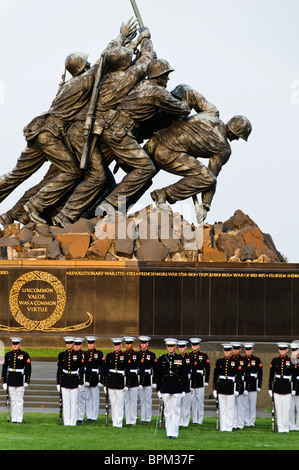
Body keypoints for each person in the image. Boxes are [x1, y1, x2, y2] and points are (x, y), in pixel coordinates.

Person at [0, 19, 138, 225]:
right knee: (72, 171)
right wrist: (122, 38)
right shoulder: (83, 81)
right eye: (87, 64)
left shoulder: (68, 84)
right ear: (82, 67)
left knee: (17, 176)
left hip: (40, 131)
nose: (91, 66)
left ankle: (10, 215)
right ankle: (33, 207)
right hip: (51, 134)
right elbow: (104, 62)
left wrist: (128, 46)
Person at [53, 23, 154, 227]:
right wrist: (146, 39)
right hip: (83, 132)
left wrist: (123, 38)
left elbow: (105, 56)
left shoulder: (100, 76)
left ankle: (92, 217)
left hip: (82, 130)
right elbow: (146, 61)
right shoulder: (125, 78)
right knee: (99, 176)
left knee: (107, 181)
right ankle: (65, 216)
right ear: (126, 64)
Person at [96, 58, 190, 218]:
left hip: (112, 129)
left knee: (145, 179)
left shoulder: (142, 85)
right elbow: (183, 110)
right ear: (158, 75)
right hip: (120, 132)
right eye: (166, 75)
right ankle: (107, 206)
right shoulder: (157, 92)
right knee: (147, 168)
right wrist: (185, 96)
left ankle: (117, 211)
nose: (168, 78)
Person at [144, 89, 252, 223]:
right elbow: (211, 177)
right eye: (238, 137)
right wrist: (205, 205)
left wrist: (177, 105)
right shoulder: (224, 149)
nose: (236, 140)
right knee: (208, 178)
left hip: (154, 141)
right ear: (236, 132)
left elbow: (189, 92)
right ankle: (163, 194)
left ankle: (116, 202)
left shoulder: (211, 112)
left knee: (137, 181)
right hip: (167, 153)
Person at [156, 338, 188, 439]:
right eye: (169, 346)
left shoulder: (181, 358)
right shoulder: (162, 359)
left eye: (172, 346)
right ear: (166, 347)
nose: (170, 348)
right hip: (165, 387)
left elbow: (184, 375)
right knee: (167, 411)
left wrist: (184, 389)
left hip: (177, 387)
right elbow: (158, 375)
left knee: (176, 411)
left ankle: (175, 433)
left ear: (176, 347)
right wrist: (158, 389)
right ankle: (168, 432)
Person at [213, 343, 243, 432]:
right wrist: (215, 388)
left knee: (230, 408)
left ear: (231, 351)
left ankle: (229, 427)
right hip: (221, 386)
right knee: (222, 408)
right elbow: (215, 377)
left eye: (228, 350)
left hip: (231, 386)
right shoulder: (219, 361)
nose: (227, 352)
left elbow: (239, 377)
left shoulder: (236, 362)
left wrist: (238, 389)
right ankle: (223, 427)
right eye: (225, 350)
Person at [1, 337, 31, 424]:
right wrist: (4, 381)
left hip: (20, 379)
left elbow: (28, 369)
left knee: (19, 400)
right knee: (13, 400)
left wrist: (26, 381)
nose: (14, 346)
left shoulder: (24, 355)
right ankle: (14, 418)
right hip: (11, 380)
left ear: (20, 344)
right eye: (13, 344)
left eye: (16, 344)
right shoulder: (8, 355)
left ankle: (19, 419)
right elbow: (4, 369)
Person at [56, 336, 84, 426]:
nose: (69, 345)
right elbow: (59, 370)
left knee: (74, 402)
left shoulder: (78, 355)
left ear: (73, 344)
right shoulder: (62, 355)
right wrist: (58, 382)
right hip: (64, 380)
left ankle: (73, 421)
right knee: (66, 403)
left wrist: (80, 382)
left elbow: (81, 369)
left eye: (70, 343)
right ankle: (67, 421)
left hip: (74, 380)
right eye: (67, 343)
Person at [268, 342, 296, 433]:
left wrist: (294, 388)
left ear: (287, 350)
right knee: (279, 409)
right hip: (277, 387)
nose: (282, 351)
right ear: (278, 350)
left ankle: (286, 427)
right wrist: (269, 388)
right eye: (280, 349)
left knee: (286, 409)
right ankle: (280, 427)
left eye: (284, 349)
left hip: (287, 387)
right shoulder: (275, 360)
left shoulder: (291, 360)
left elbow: (295, 376)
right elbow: (271, 376)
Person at [105, 337, 129, 427]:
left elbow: (127, 371)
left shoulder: (125, 356)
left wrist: (126, 384)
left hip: (120, 381)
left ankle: (119, 422)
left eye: (118, 345)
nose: (116, 346)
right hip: (111, 382)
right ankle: (114, 421)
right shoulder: (109, 356)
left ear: (121, 345)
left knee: (119, 403)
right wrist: (105, 384)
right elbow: (106, 371)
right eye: (115, 345)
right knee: (113, 403)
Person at [84, 336, 106, 422]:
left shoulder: (99, 354)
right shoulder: (85, 354)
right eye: (89, 343)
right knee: (88, 398)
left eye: (91, 343)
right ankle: (89, 415)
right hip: (87, 378)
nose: (90, 345)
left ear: (95, 344)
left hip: (95, 377)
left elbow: (103, 368)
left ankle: (94, 416)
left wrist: (101, 380)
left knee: (95, 398)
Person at [189, 337, 210, 425]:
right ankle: (194, 419)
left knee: (200, 401)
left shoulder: (204, 356)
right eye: (193, 345)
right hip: (192, 380)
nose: (194, 346)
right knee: (193, 401)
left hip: (200, 380)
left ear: (199, 346)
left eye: (196, 345)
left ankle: (200, 419)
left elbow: (207, 368)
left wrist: (206, 380)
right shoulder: (188, 355)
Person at [137, 335, 157, 422]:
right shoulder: (137, 354)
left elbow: (155, 369)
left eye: (145, 343)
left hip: (149, 378)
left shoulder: (151, 355)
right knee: (141, 400)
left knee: (148, 399)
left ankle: (148, 418)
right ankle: (142, 417)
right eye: (142, 343)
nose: (143, 345)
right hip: (140, 379)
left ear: (148, 344)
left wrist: (155, 381)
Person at [243, 342, 263, 427]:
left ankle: (252, 421)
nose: (248, 351)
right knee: (245, 404)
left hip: (253, 384)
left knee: (252, 404)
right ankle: (246, 420)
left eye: (249, 350)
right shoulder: (242, 359)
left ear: (252, 350)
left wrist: (259, 386)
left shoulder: (257, 360)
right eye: (246, 350)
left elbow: (260, 373)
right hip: (244, 384)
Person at [123, 336, 139, 425]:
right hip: (125, 380)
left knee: (133, 400)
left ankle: (133, 419)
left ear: (132, 344)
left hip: (134, 380)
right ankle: (128, 419)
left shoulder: (136, 355)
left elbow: (139, 368)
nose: (127, 345)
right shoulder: (123, 355)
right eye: (126, 343)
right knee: (126, 400)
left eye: (129, 343)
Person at [231, 342, 246, 430]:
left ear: (240, 350)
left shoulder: (243, 360)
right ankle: (234, 423)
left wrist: (245, 388)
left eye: (237, 349)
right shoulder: (230, 359)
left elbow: (245, 375)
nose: (235, 351)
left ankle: (240, 423)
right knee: (232, 406)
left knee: (240, 405)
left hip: (240, 383)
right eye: (234, 349)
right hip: (231, 384)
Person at [177, 340, 192, 427]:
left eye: (183, 347)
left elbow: (192, 371)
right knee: (178, 403)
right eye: (180, 347)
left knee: (186, 404)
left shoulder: (190, 358)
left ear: (186, 347)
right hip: (178, 382)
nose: (181, 349)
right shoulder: (177, 358)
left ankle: (185, 421)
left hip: (187, 382)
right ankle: (179, 420)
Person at [73, 337, 86, 424]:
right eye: (75, 345)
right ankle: (74, 416)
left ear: (81, 345)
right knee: (74, 399)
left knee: (81, 398)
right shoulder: (70, 354)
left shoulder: (85, 354)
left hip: (81, 377)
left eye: (78, 345)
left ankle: (80, 417)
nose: (77, 347)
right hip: (73, 377)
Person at [289, 341, 299, 430]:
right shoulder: (289, 361)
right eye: (292, 350)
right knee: (291, 408)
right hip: (291, 387)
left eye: (295, 350)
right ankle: (292, 425)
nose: (294, 352)